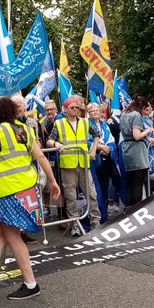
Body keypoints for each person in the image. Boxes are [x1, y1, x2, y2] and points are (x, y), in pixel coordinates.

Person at [0, 96, 60, 300]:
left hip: (5, 191)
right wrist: (52, 181)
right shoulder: (24, 130)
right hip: (25, 187)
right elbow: (40, 157)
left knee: (13, 236)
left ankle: (31, 283)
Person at [46, 98, 101, 236]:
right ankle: (75, 224)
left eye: (77, 108)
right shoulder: (59, 124)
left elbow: (97, 135)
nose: (76, 109)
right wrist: (55, 144)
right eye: (72, 107)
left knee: (91, 194)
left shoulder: (85, 121)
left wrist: (93, 150)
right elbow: (49, 141)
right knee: (71, 196)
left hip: (83, 163)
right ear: (65, 109)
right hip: (68, 165)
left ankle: (96, 222)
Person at [86, 102, 120, 223]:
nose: (95, 112)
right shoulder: (86, 125)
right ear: (88, 113)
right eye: (92, 111)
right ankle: (97, 216)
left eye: (97, 111)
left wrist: (107, 149)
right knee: (96, 189)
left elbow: (111, 140)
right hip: (93, 161)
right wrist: (100, 147)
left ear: (100, 112)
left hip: (105, 160)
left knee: (105, 187)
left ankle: (104, 214)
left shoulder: (104, 125)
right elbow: (86, 141)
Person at [120, 96, 153, 206]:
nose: (146, 112)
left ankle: (128, 209)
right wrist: (148, 130)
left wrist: (147, 138)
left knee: (130, 183)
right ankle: (136, 209)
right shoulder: (136, 115)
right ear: (142, 107)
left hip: (126, 149)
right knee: (138, 184)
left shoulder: (124, 113)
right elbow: (137, 135)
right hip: (137, 151)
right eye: (146, 109)